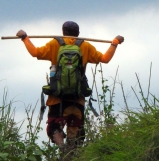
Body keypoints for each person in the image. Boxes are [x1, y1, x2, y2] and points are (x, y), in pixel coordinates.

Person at [16, 21, 124, 151]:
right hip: (77, 98)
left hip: (57, 97)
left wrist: (24, 38)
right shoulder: (85, 46)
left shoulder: (54, 44)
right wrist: (115, 43)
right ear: (78, 33)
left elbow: (35, 53)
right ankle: (72, 154)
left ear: (63, 32)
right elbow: (105, 59)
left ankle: (62, 147)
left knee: (54, 127)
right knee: (77, 131)